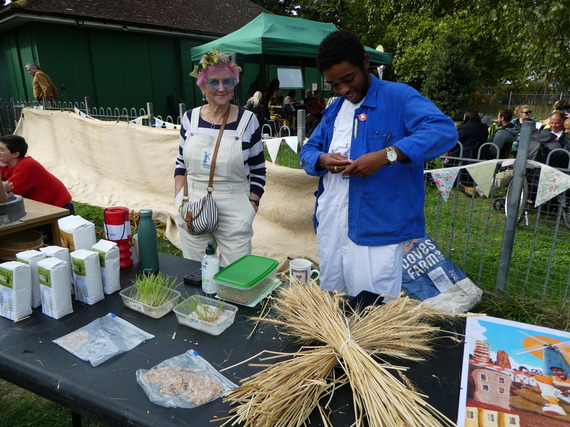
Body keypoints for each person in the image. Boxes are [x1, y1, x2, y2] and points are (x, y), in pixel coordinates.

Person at [299, 31, 456, 297]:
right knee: (332, 299)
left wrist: (387, 155)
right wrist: (323, 159)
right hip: (331, 223)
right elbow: (309, 150)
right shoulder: (335, 109)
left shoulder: (399, 97)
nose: (344, 90)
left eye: (348, 79)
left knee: (370, 309)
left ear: (365, 62)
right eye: (334, 85)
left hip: (377, 228)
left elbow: (443, 131)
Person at [174, 48, 266, 267]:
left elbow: (258, 169)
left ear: (235, 84)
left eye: (228, 82)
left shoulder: (248, 120)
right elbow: (180, 164)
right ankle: (200, 303)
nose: (221, 88)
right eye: (214, 82)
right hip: (193, 204)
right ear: (202, 85)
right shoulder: (190, 119)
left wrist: (251, 203)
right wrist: (179, 200)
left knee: (237, 273)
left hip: (235, 205)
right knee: (195, 270)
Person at [0, 135, 73, 213]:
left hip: (60, 209)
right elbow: (2, 181)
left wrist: (3, 188)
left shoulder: (26, 165)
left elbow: (8, 194)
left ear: (15, 154)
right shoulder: (12, 166)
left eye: (1, 150)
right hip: (47, 209)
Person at [450, 110, 488, 195]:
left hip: (464, 154)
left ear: (467, 117)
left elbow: (455, 141)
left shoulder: (463, 128)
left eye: (464, 117)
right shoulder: (484, 127)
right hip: (479, 153)